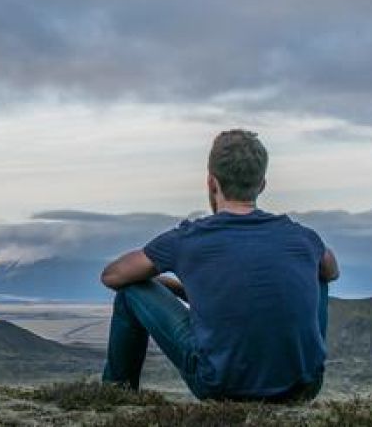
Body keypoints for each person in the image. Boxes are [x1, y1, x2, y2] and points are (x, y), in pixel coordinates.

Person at [99, 129, 339, 402]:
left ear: (212, 183)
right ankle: (298, 368)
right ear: (262, 184)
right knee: (319, 273)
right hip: (304, 387)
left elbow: (112, 276)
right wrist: (184, 289)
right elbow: (332, 271)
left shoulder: (188, 239)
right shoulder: (303, 238)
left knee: (130, 293)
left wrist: (158, 281)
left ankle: (114, 396)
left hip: (220, 386)